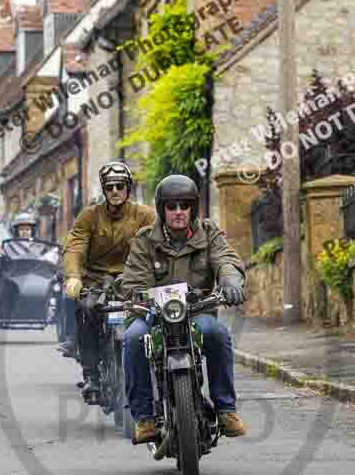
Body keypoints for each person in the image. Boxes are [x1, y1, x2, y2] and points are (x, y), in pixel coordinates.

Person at [122, 174, 247, 444]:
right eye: (171, 206)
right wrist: (140, 296)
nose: (178, 212)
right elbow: (133, 280)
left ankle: (226, 410)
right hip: (153, 315)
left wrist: (230, 280)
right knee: (133, 338)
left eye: (184, 205)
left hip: (196, 312)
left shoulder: (209, 232)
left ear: (193, 208)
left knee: (217, 334)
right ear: (161, 209)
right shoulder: (144, 240)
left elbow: (225, 259)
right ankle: (144, 418)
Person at [62, 162, 155, 401]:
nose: (115, 191)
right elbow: (75, 246)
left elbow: (159, 245)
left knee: (154, 313)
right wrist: (73, 276)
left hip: (133, 280)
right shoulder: (89, 216)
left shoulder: (145, 215)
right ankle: (91, 375)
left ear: (128, 188)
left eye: (120, 186)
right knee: (86, 310)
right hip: (96, 281)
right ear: (104, 189)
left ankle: (157, 368)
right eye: (110, 186)